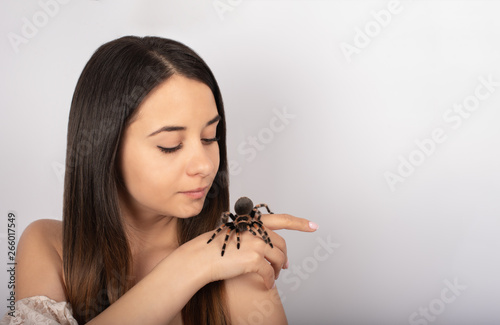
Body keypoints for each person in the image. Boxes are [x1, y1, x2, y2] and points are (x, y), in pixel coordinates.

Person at [1, 36, 318, 325]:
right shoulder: (47, 245)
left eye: (210, 137)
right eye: (170, 145)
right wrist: (192, 264)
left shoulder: (237, 263)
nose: (205, 166)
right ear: (105, 149)